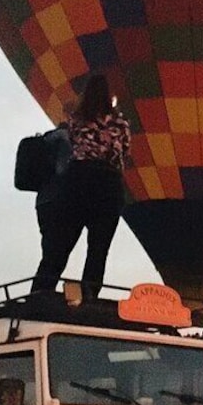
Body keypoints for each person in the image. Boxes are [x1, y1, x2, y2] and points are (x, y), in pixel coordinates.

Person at [31, 74, 131, 300]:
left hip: (78, 181)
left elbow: (74, 142)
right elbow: (125, 151)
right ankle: (90, 296)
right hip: (109, 185)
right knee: (98, 249)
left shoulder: (77, 120)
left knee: (60, 244)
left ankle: (41, 291)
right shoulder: (121, 124)